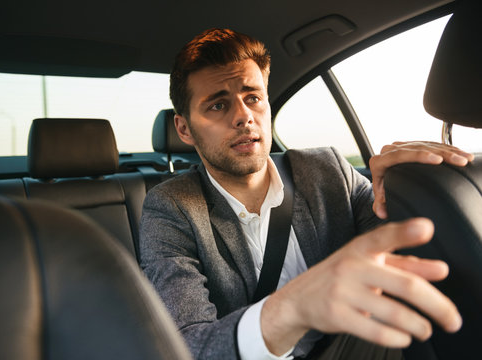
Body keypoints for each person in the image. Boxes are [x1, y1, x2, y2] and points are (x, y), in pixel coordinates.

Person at [139, 28, 471, 360]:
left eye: (252, 97)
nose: (243, 117)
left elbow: (401, 251)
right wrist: (293, 307)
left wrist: (409, 191)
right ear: (184, 129)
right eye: (218, 105)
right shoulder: (171, 208)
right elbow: (187, 346)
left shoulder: (327, 169)